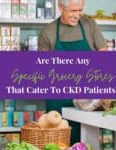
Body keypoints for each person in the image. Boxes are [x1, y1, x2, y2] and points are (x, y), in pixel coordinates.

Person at [38, 0, 107, 144]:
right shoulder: (47, 32)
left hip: (87, 98)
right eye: (73, 11)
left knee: (88, 142)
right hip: (58, 100)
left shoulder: (89, 24)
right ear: (60, 7)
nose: (77, 15)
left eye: (80, 10)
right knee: (59, 143)